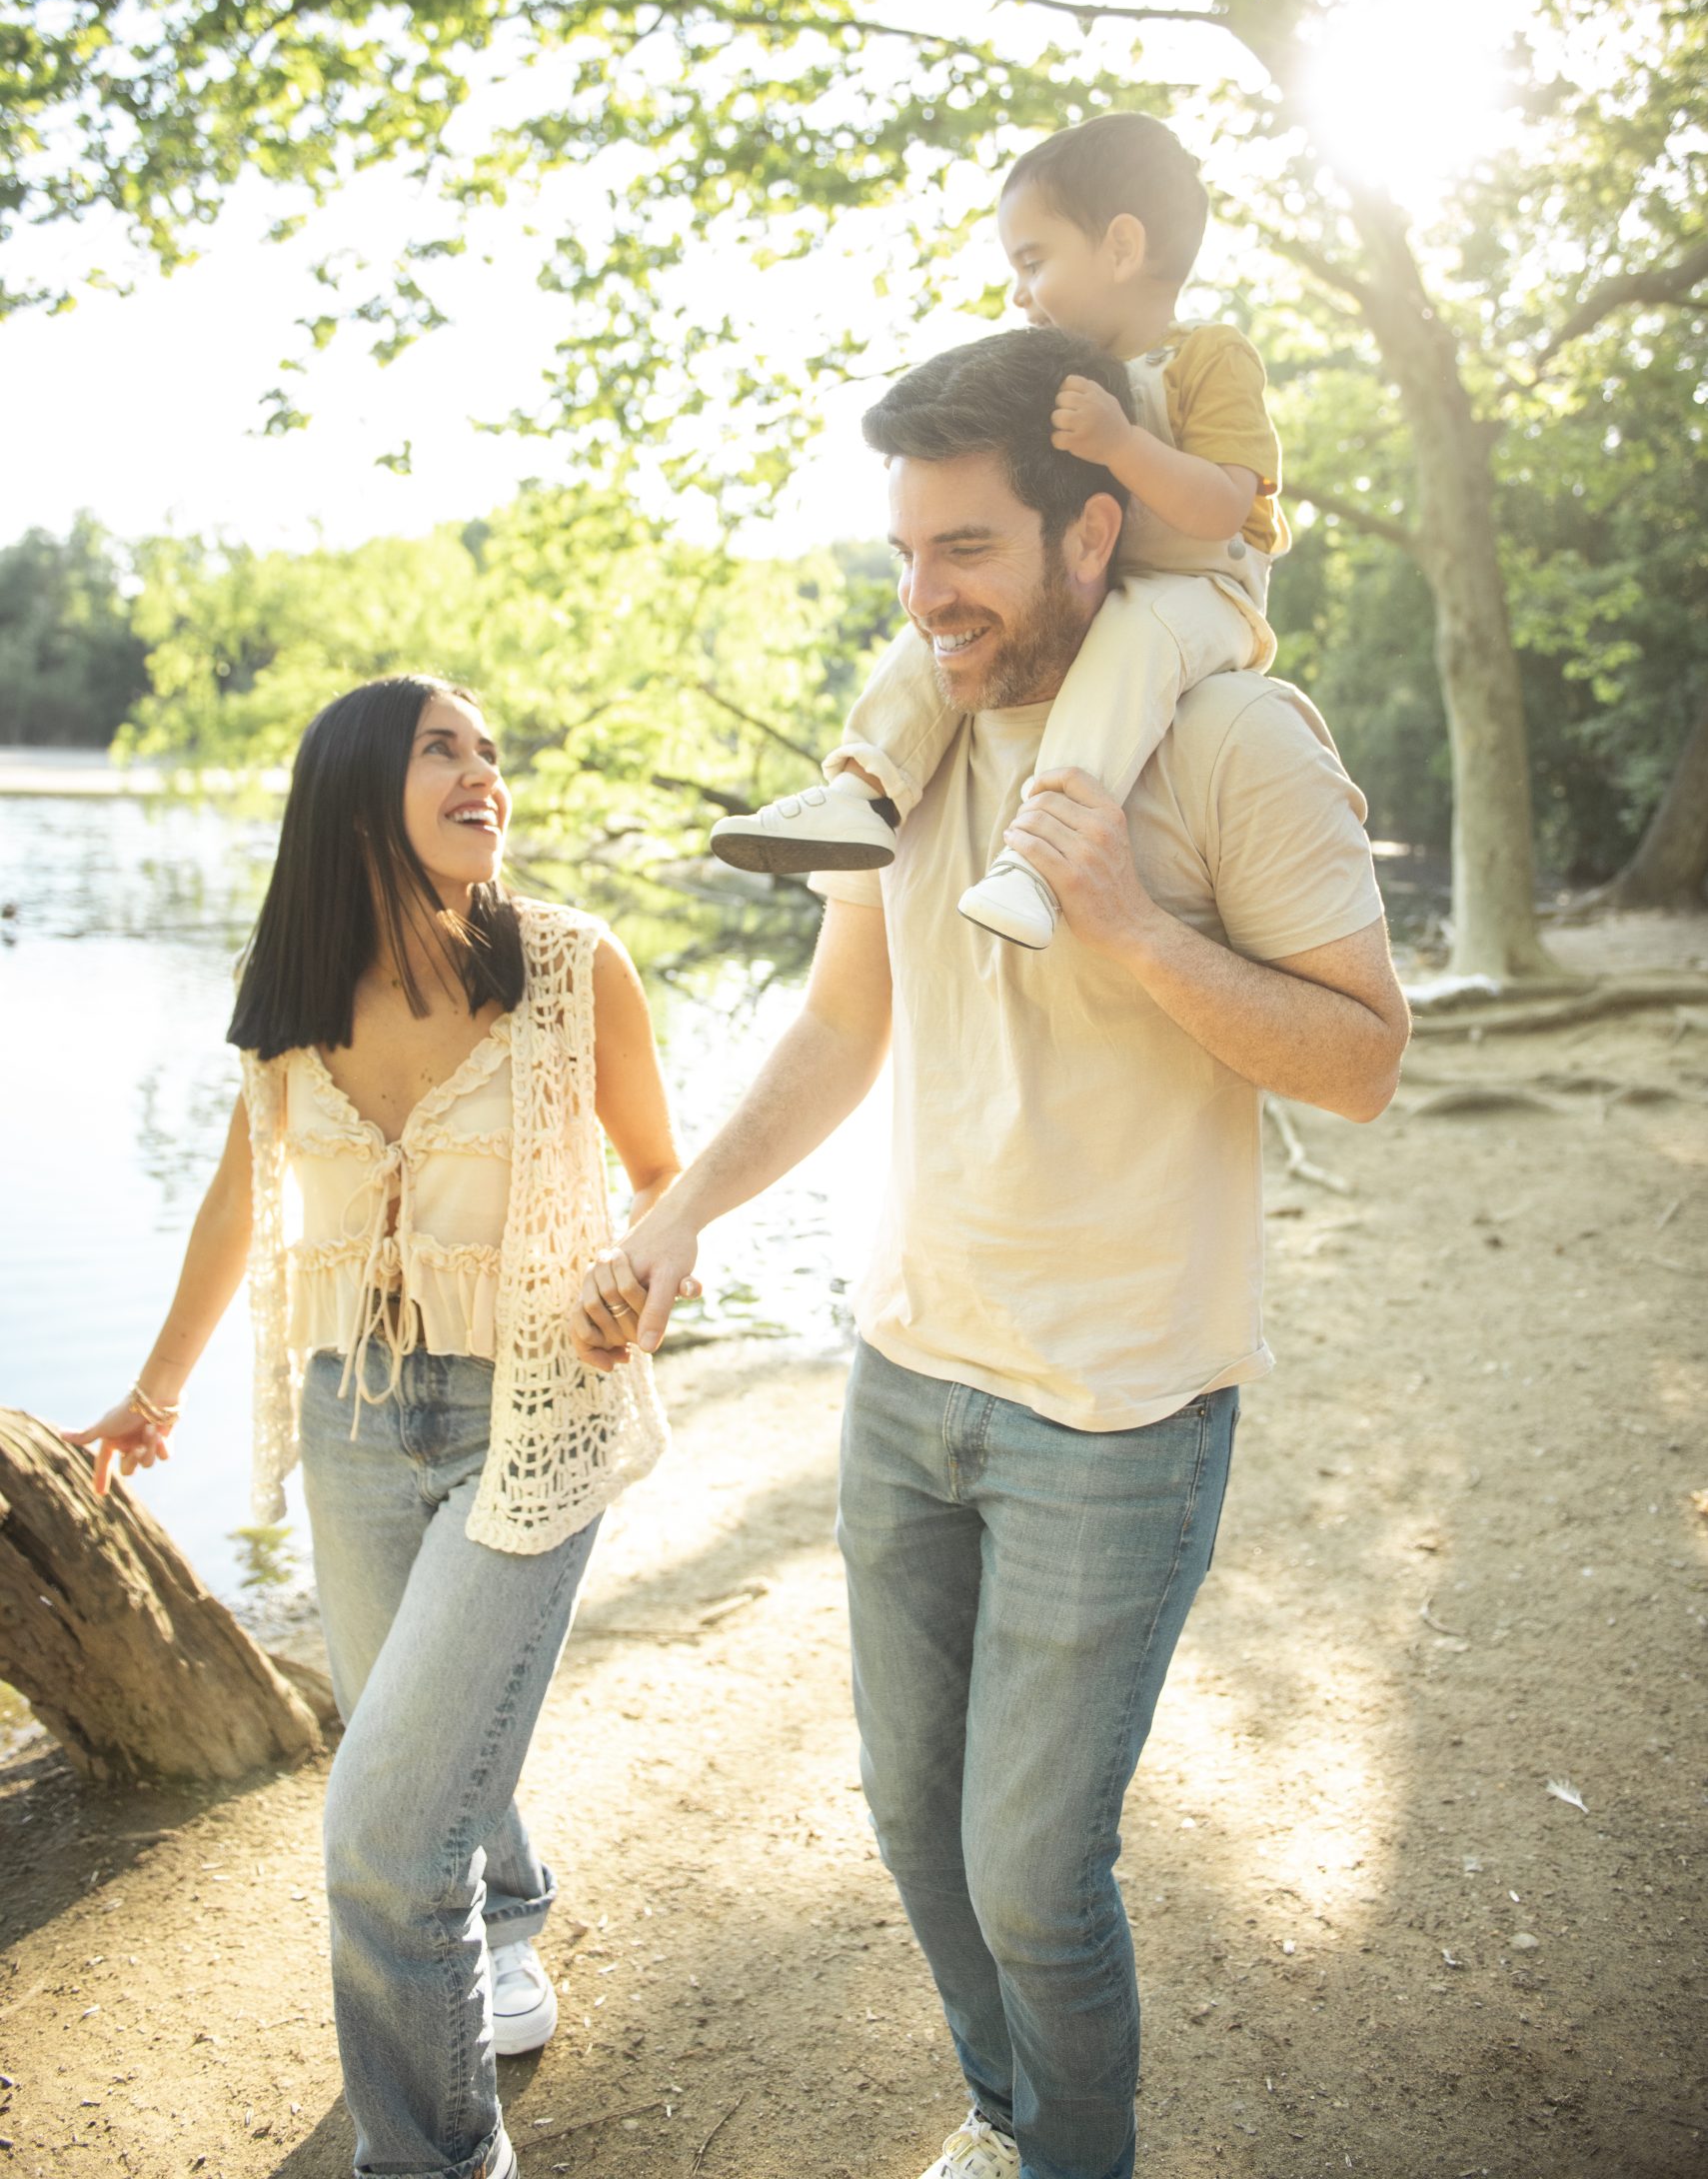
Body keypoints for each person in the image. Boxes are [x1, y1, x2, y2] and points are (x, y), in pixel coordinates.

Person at [577, 331, 1408, 2179]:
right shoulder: (912, 754)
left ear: (1091, 534)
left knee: (1032, 1875)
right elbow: (838, 1026)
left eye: (963, 549)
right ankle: (1003, 2115)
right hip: (905, 1376)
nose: (923, 596)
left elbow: (1362, 1059)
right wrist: (677, 1211)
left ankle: (1070, 2157)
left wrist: (1131, 929)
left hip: (1117, 1415)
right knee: (910, 1819)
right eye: (904, 552)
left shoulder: (1233, 739)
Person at [70, 673, 688, 2179]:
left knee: (385, 1830)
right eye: (441, 749)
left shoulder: (569, 966)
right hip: (348, 1415)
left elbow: (665, 1180)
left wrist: (640, 1283)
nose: (485, 774)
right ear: (356, 793)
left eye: (490, 752)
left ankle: (431, 2156)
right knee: (415, 1725)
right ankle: (510, 1907)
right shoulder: (292, 992)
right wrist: (155, 1391)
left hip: (530, 1410)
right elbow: (241, 1198)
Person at [710, 110, 1287, 952]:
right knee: (944, 613)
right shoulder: (1062, 377)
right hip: (1104, 574)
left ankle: (1040, 860)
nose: (1019, 294)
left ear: (1121, 248)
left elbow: (1221, 508)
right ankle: (866, 789)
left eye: (1033, 262)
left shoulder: (1208, 356)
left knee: (1133, 645)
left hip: (1203, 590)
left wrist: (1120, 444)